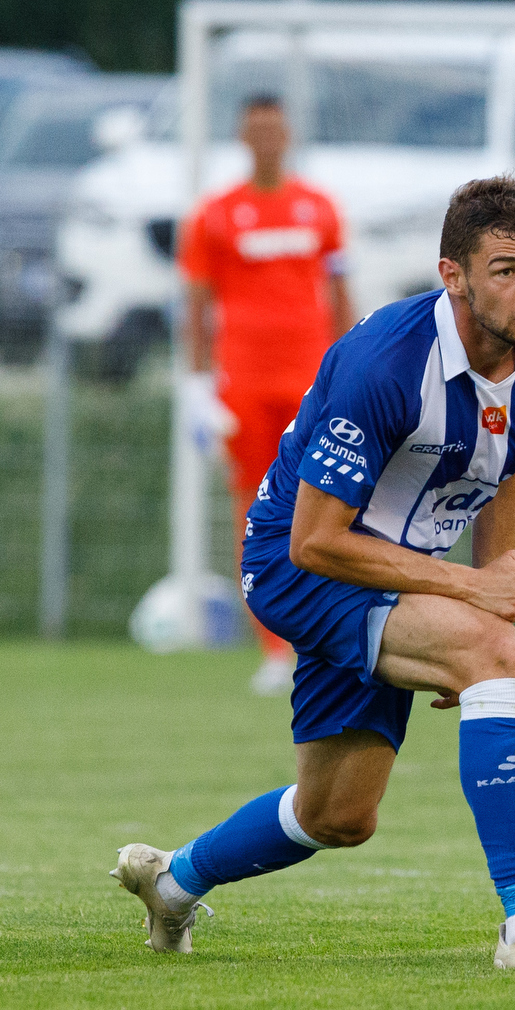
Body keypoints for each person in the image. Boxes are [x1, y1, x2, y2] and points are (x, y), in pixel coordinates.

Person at [110, 177, 515, 972]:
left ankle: (173, 882)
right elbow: (314, 540)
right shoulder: (387, 363)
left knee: (339, 814)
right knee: (498, 658)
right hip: (297, 564)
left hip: (399, 568)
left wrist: (488, 589)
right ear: (452, 275)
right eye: (506, 270)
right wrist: (473, 604)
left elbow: (512, 457)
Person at [178, 95, 356, 697]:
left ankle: (331, 632)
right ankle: (274, 647)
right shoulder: (215, 215)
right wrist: (199, 387)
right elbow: (196, 306)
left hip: (313, 384)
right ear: (242, 136)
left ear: (288, 134)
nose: (266, 140)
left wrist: (353, 364)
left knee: (330, 504)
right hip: (245, 387)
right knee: (256, 512)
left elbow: (340, 291)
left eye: (275, 129)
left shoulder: (321, 208)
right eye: (255, 130)